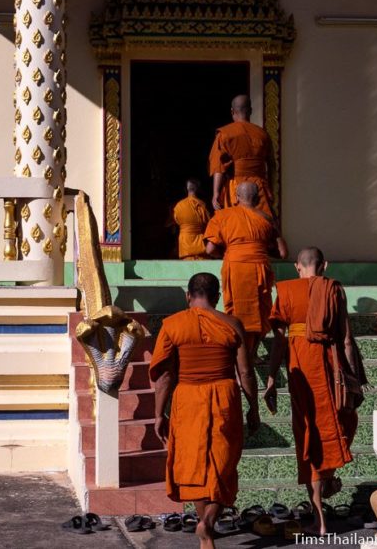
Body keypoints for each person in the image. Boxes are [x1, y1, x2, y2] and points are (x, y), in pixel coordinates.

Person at [149, 272, 260, 549]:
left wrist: (158, 414)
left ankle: (206, 529)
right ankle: (208, 521)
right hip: (224, 395)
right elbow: (245, 372)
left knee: (195, 465)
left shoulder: (173, 325)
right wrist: (253, 407)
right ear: (217, 296)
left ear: (188, 296)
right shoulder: (232, 324)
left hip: (187, 398)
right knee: (223, 463)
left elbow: (163, 377)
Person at [264, 247, 362, 536]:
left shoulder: (285, 291)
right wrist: (354, 377)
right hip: (330, 365)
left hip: (299, 367)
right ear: (325, 265)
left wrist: (271, 378)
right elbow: (346, 339)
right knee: (334, 424)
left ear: (297, 267)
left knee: (307, 432)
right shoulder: (334, 289)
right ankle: (328, 479)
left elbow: (278, 342)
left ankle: (319, 516)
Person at [204, 182, 288, 361]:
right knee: (260, 312)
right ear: (258, 198)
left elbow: (210, 249)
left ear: (236, 197)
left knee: (237, 310)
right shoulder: (266, 218)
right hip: (260, 267)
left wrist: (229, 252)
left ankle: (239, 353)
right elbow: (282, 253)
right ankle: (253, 353)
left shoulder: (223, 216)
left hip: (235, 266)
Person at [208, 94, 276, 217]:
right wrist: (269, 189)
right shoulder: (263, 135)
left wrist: (216, 193)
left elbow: (219, 166)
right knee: (262, 224)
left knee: (236, 225)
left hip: (236, 187)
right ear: (250, 111)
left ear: (232, 111)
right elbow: (271, 165)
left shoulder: (225, 134)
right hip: (259, 189)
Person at [173, 179, 210, 260]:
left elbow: (177, 221)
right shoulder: (201, 205)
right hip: (201, 247)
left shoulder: (179, 206)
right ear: (198, 189)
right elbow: (208, 224)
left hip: (185, 247)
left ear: (186, 189)